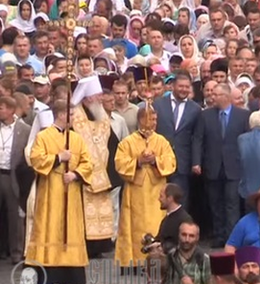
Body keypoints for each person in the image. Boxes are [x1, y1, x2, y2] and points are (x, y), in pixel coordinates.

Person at [27, 100, 93, 284]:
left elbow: (88, 162)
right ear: (62, 114)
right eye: (71, 114)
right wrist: (58, 158)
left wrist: (75, 174)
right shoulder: (44, 136)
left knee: (70, 229)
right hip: (50, 191)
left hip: (71, 192)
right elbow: (36, 159)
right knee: (51, 226)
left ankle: (71, 272)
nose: (73, 118)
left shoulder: (76, 138)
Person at [114, 105, 177, 269]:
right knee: (134, 225)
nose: (154, 122)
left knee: (157, 223)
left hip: (157, 191)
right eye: (151, 119)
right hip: (135, 192)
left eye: (155, 119)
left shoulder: (161, 141)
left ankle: (159, 260)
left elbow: (171, 162)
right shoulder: (127, 142)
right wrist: (139, 161)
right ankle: (134, 261)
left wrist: (155, 160)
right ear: (141, 119)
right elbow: (120, 164)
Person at [193, 82, 250, 247]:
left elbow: (247, 141)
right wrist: (196, 162)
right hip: (213, 166)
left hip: (234, 167)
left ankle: (232, 238)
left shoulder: (243, 115)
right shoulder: (205, 115)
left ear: (225, 97)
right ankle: (219, 236)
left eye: (215, 95)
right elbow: (198, 139)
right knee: (215, 204)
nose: (212, 97)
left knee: (232, 204)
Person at [70, 75, 119, 257]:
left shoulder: (101, 115)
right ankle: (85, 247)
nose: (101, 98)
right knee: (84, 213)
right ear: (87, 98)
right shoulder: (74, 116)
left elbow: (112, 144)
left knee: (101, 212)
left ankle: (100, 246)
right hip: (81, 174)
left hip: (102, 174)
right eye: (97, 95)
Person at [153, 70, 201, 204]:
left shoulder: (195, 109)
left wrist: (195, 162)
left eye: (187, 87)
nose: (183, 89)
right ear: (173, 86)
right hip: (159, 161)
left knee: (180, 201)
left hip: (182, 163)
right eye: (181, 86)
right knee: (158, 200)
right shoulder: (158, 104)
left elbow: (197, 137)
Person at [0, 96, 31, 264]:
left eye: (2, 108)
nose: (0, 111)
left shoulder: (25, 130)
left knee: (15, 217)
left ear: (12, 110)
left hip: (13, 177)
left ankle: (17, 253)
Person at [156, 183, 193, 254]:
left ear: (170, 198)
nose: (159, 199)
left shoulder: (185, 219)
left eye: (161, 196)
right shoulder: (166, 219)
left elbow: (186, 245)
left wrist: (163, 247)